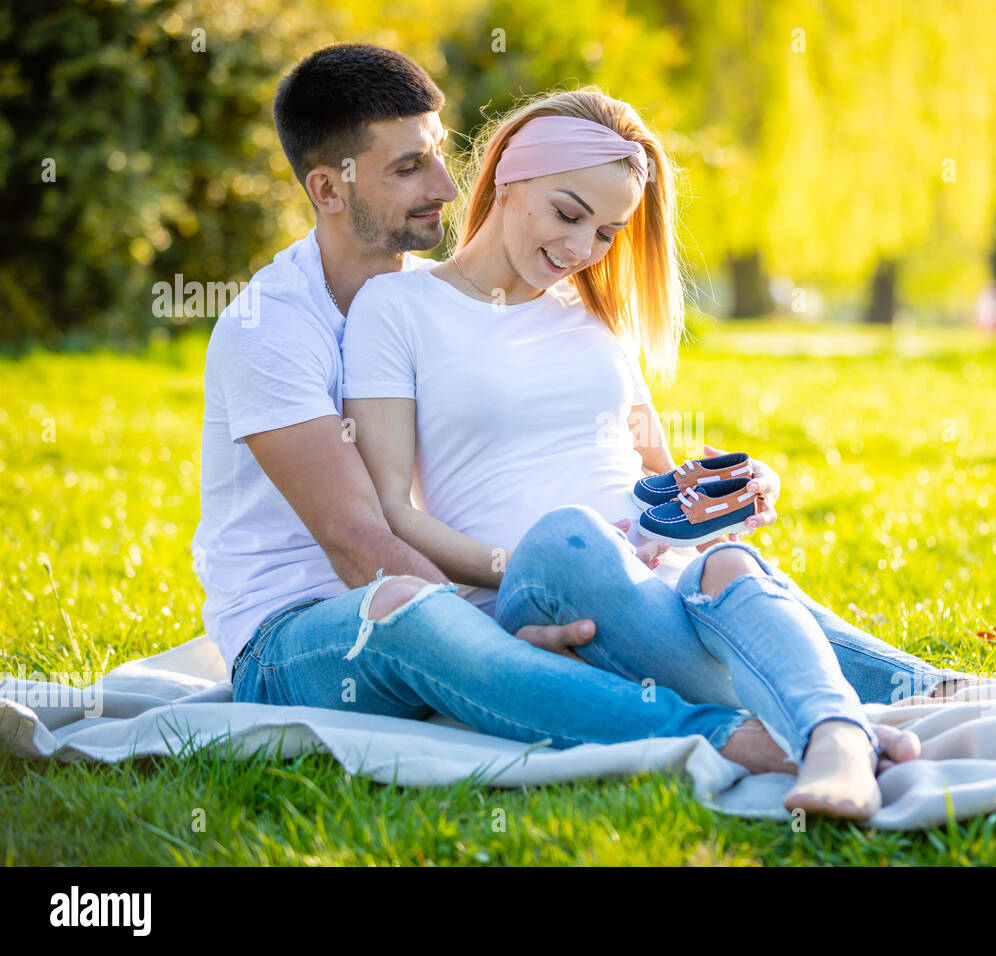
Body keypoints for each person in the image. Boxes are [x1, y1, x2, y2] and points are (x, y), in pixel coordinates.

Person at [339, 88, 996, 818]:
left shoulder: (592, 318)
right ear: (512, 176)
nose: (584, 248)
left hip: (651, 573)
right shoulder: (399, 307)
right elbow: (395, 512)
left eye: (608, 230)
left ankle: (931, 714)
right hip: (532, 583)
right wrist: (517, 559)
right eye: (569, 213)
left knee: (725, 570)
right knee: (574, 535)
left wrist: (727, 494)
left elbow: (653, 483)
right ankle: (863, 713)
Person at [192, 42, 856, 784]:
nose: (446, 184)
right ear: (329, 188)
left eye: (440, 155)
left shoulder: (428, 297)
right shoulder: (272, 328)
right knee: (406, 610)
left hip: (442, 589)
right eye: (409, 167)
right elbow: (359, 543)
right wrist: (504, 634)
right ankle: (714, 737)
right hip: (297, 637)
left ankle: (869, 699)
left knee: (711, 580)